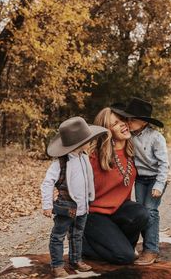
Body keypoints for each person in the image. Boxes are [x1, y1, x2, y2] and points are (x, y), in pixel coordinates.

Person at [41, 116, 107, 278]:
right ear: (78, 143)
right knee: (58, 236)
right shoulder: (60, 163)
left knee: (77, 234)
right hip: (66, 207)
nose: (90, 143)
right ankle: (57, 265)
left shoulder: (84, 158)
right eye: (87, 140)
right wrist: (47, 205)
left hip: (82, 206)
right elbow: (47, 183)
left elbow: (87, 180)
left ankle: (75, 259)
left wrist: (90, 197)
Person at [82, 108, 149, 265]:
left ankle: (118, 245)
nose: (124, 125)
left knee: (141, 213)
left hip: (118, 210)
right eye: (116, 123)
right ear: (107, 130)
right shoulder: (94, 156)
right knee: (125, 257)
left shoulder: (133, 151)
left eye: (123, 120)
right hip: (93, 215)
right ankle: (85, 246)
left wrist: (164, 172)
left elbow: (151, 166)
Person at [112, 97, 170, 265]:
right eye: (127, 119)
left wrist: (160, 184)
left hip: (156, 179)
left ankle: (151, 249)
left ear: (144, 123)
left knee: (151, 211)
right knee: (141, 212)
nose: (128, 122)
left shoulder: (156, 137)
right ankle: (135, 246)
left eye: (132, 120)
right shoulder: (128, 136)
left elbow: (164, 164)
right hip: (140, 179)